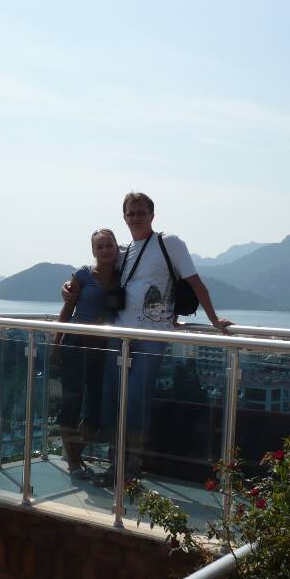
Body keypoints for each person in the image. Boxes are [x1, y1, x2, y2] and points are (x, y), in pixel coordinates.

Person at [64, 192, 233, 485]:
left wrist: (214, 319)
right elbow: (96, 271)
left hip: (151, 336)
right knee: (113, 400)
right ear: (124, 217)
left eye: (141, 212)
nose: (136, 217)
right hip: (120, 334)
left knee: (136, 400)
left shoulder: (169, 243)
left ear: (152, 215)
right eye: (131, 213)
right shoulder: (124, 251)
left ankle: (132, 466)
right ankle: (115, 465)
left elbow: (194, 281)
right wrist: (68, 286)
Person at [52, 228, 119, 479]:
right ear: (93, 251)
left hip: (103, 348)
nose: (105, 250)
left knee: (97, 408)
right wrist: (57, 343)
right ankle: (73, 460)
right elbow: (67, 309)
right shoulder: (82, 274)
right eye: (99, 246)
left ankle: (76, 451)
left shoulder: (124, 275)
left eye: (109, 245)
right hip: (75, 344)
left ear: (117, 247)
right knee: (72, 401)